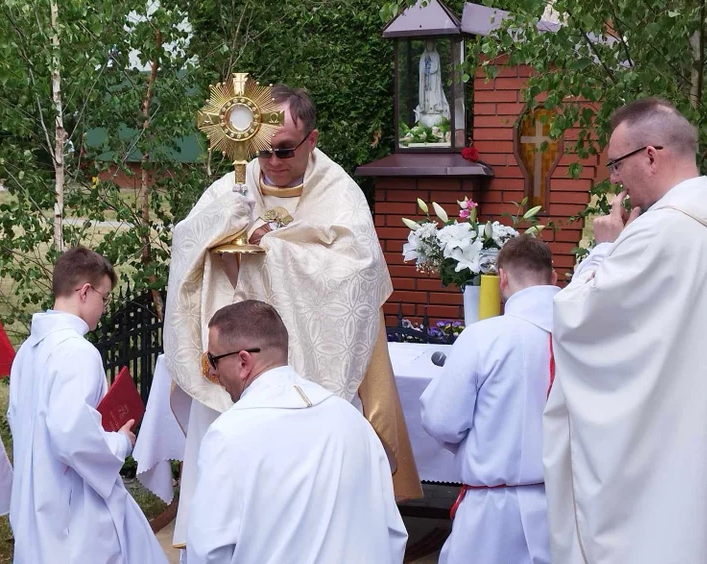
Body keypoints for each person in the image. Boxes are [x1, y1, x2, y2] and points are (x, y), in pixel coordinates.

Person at [163, 85, 421, 547]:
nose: (272, 162)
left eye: (284, 150)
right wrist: (219, 224)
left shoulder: (339, 193)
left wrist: (273, 248)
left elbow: (359, 274)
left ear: (312, 140)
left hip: (313, 368)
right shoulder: (230, 188)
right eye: (263, 150)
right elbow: (184, 246)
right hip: (239, 368)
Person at [544, 98, 707, 564]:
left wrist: (603, 250)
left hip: (656, 447)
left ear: (651, 156)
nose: (615, 179)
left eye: (617, 165)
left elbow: (578, 317)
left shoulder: (659, 232)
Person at [185, 300, 408, 563]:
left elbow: (209, 549)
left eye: (213, 359)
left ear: (243, 361)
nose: (211, 371)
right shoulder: (351, 418)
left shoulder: (228, 434)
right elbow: (391, 530)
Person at [6, 246, 167, 564]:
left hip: (35, 493)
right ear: (84, 292)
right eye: (104, 298)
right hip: (73, 505)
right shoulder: (78, 353)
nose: (105, 308)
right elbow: (72, 436)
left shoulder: (28, 350)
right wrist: (120, 441)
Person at [420, 235, 558, 564]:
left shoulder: (486, 336)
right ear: (554, 279)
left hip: (492, 516)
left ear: (503, 279)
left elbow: (442, 421)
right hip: (562, 510)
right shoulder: (584, 333)